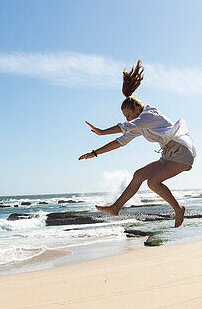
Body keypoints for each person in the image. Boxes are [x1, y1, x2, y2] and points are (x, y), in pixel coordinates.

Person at [79, 60, 196, 227]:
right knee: (139, 175)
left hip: (181, 151)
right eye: (125, 116)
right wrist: (95, 153)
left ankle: (178, 209)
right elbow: (120, 142)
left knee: (153, 182)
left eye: (128, 115)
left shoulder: (149, 114)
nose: (127, 118)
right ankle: (115, 207)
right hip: (169, 154)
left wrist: (102, 131)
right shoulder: (139, 125)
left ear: (136, 108)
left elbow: (126, 127)